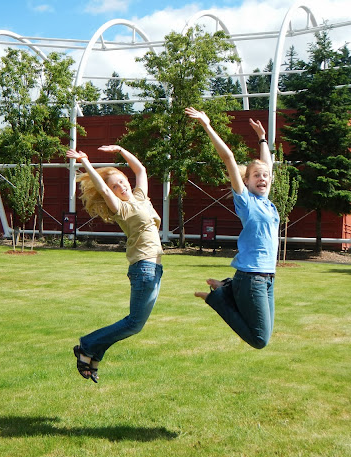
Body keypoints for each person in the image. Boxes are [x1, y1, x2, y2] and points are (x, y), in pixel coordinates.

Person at [66, 145, 164, 382]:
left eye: (121, 181)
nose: (121, 186)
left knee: (134, 324)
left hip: (155, 268)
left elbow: (140, 169)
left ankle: (94, 355)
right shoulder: (121, 207)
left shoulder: (141, 198)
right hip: (144, 267)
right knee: (134, 323)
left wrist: (121, 150)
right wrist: (86, 162)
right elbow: (100, 187)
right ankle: (87, 345)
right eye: (115, 186)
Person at [185, 107, 279, 349]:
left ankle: (228, 287)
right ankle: (219, 298)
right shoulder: (246, 202)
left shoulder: (267, 203)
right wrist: (207, 125)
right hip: (253, 277)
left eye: (266, 176)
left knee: (263, 333)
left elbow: (267, 163)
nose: (263, 178)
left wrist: (262, 138)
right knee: (260, 340)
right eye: (256, 176)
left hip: (268, 278)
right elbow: (228, 158)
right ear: (246, 181)